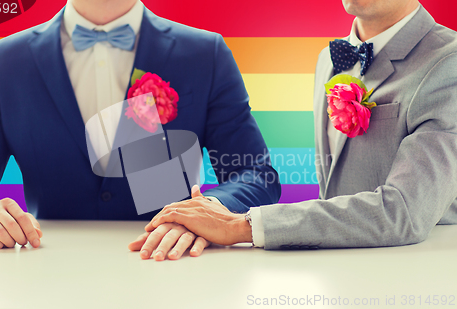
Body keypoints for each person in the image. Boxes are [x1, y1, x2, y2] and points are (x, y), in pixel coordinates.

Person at [0, 0, 281, 256]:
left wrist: (207, 213)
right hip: (46, 266)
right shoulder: (6, 59)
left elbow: (255, 173)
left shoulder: (205, 53)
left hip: (173, 266)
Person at [134, 0, 457, 254]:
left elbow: (406, 212)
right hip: (337, 266)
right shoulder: (329, 59)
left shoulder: (448, 62)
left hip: (414, 268)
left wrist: (240, 226)